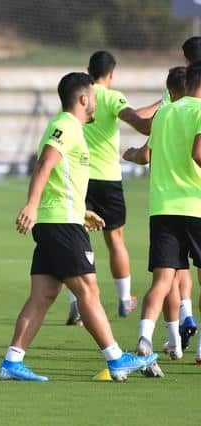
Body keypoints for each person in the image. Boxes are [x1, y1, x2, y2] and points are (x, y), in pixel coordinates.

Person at [0, 72, 158, 382]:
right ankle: (115, 358)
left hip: (61, 218)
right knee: (88, 290)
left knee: (43, 295)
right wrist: (31, 203)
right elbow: (45, 163)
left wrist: (81, 212)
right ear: (83, 98)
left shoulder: (71, 127)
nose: (96, 103)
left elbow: (61, 178)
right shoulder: (66, 126)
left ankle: (12, 362)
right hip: (58, 224)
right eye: (94, 98)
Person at [64, 51, 153, 325]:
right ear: (111, 74)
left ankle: (77, 304)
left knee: (76, 239)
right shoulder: (113, 97)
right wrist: (166, 104)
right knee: (115, 240)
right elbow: (140, 123)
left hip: (79, 176)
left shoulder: (78, 96)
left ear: (88, 69)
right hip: (108, 178)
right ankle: (125, 300)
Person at [122, 63, 201, 368]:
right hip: (195, 206)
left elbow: (147, 154)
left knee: (162, 279)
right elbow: (198, 152)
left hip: (163, 208)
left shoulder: (165, 112)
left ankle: (144, 337)